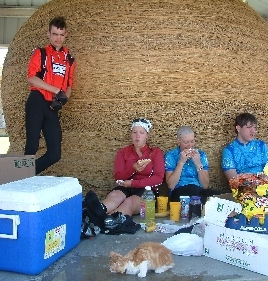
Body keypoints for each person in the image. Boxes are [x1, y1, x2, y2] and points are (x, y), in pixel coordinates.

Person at [84, 118, 165, 229]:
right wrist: (133, 169)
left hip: (146, 190)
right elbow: (118, 176)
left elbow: (158, 178)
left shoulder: (155, 152)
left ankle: (110, 220)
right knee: (115, 196)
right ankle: (97, 210)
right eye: (135, 132)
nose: (138, 136)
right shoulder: (123, 152)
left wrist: (133, 183)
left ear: (147, 136)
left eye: (141, 133)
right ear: (131, 135)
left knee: (129, 202)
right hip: (125, 186)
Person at [24, 16, 76, 174]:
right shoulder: (41, 53)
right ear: (48, 34)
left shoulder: (70, 59)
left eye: (61, 34)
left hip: (52, 106)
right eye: (55, 34)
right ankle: (21, 180)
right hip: (37, 101)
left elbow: (69, 85)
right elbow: (31, 78)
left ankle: (26, 174)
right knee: (32, 146)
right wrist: (55, 91)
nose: (58, 38)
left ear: (66, 34)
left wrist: (63, 99)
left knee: (55, 154)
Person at [164, 126, 217, 204]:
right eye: (186, 142)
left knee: (220, 198)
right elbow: (171, 185)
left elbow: (205, 185)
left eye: (192, 141)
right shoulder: (171, 155)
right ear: (178, 141)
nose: (190, 146)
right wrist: (181, 162)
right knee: (200, 201)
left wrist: (198, 164)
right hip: (179, 191)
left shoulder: (201, 155)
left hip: (199, 189)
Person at [221, 112, 268, 181]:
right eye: (249, 127)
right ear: (238, 128)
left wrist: (267, 179)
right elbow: (233, 180)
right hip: (245, 188)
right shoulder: (229, 151)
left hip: (265, 185)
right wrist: (254, 182)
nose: (253, 131)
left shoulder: (261, 145)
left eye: (254, 127)